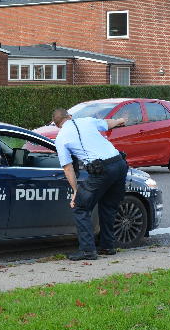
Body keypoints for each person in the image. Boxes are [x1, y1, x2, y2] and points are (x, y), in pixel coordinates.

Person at [52, 108, 129, 260]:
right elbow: (107, 123)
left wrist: (75, 191)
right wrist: (120, 121)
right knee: (108, 206)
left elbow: (67, 168)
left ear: (57, 125)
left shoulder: (61, 138)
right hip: (120, 164)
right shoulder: (86, 121)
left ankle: (87, 250)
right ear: (70, 116)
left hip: (102, 169)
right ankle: (107, 247)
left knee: (80, 207)